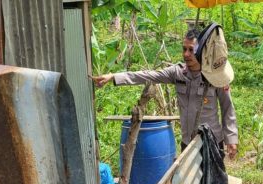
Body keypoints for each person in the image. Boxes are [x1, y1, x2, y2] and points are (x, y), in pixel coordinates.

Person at [90, 29, 238, 159]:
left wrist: (231, 138)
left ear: (201, 51)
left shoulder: (216, 76)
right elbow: (147, 75)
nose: (186, 54)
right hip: (188, 141)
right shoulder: (178, 73)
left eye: (191, 50)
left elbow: (227, 108)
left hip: (211, 141)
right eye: (184, 49)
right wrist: (114, 76)